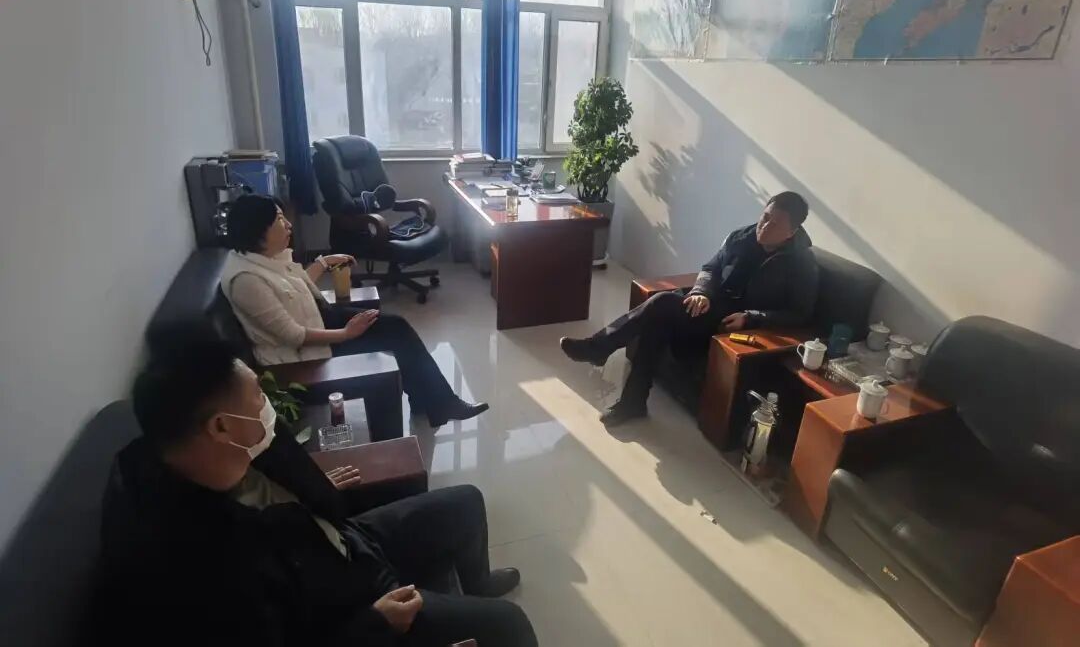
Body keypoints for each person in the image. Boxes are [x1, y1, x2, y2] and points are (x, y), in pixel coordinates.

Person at [96, 321, 538, 647]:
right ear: (221, 426)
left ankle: (477, 582)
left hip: (342, 543)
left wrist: (319, 490)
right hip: (348, 605)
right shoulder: (199, 563)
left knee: (465, 502)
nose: (269, 404)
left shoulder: (206, 449)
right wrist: (375, 624)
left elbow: (297, 484)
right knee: (508, 626)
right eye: (259, 397)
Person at [221, 194, 485, 427]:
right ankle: (439, 403)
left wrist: (324, 262)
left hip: (319, 318)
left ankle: (431, 402)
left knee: (396, 327)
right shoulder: (247, 281)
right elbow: (293, 335)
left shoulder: (263, 259)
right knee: (395, 332)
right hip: (304, 351)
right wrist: (346, 334)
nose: (288, 224)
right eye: (279, 220)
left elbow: (293, 290)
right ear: (258, 230)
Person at [560, 191, 819, 427]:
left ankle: (602, 352)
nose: (764, 226)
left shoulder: (801, 264)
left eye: (775, 224)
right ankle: (629, 398)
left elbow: (800, 313)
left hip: (737, 331)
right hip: (710, 308)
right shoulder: (742, 237)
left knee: (661, 304)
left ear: (791, 232)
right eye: (765, 217)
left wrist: (752, 318)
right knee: (659, 316)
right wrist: (701, 292)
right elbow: (710, 268)